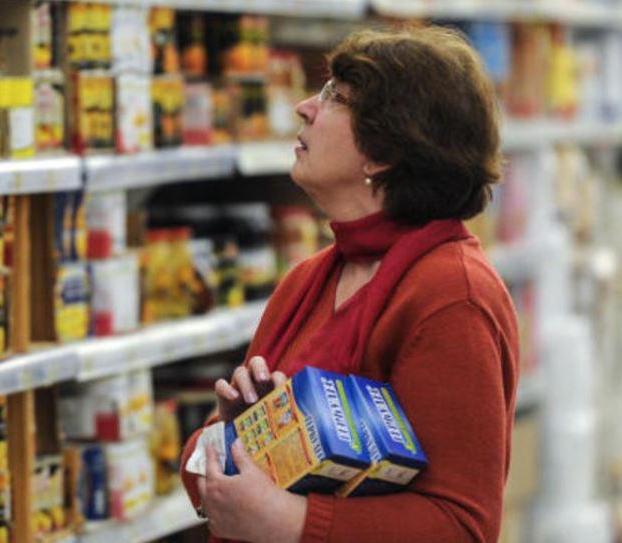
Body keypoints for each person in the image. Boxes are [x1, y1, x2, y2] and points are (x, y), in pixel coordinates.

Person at [180, 26, 519, 543]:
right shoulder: (308, 282)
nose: (303, 107)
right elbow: (199, 473)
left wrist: (293, 522)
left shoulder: (453, 296)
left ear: (385, 150)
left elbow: (462, 526)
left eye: (335, 97)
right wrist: (239, 436)